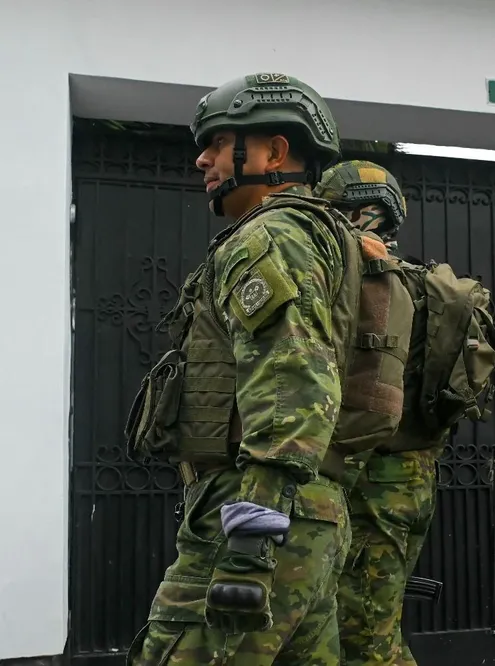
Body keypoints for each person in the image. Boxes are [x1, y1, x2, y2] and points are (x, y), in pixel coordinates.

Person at [123, 72, 383, 665]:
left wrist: (248, 539)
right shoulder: (325, 236)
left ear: (275, 152)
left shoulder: (268, 236)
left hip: (255, 513)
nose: (202, 158)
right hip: (305, 512)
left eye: (218, 142)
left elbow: (294, 380)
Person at [314, 160, 495, 665]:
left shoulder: (365, 282)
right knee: (374, 622)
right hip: (414, 475)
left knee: (361, 636)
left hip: (366, 475)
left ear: (358, 211)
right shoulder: (426, 285)